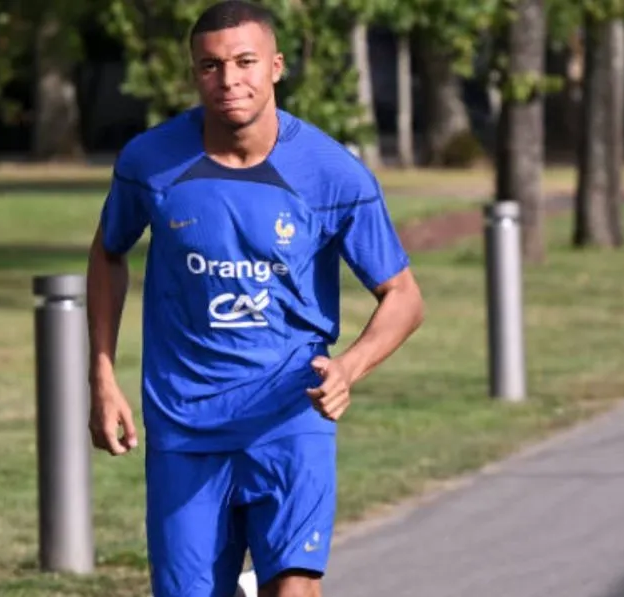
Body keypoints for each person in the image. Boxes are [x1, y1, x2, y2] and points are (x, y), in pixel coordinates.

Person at [85, 2, 424, 596]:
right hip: (185, 422)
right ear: (195, 73)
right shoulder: (149, 162)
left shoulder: (331, 173)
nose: (229, 80)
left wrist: (349, 366)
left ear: (276, 67)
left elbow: (403, 296)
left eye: (245, 62)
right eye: (211, 66)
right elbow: (108, 252)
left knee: (293, 588)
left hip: (290, 418)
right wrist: (104, 376)